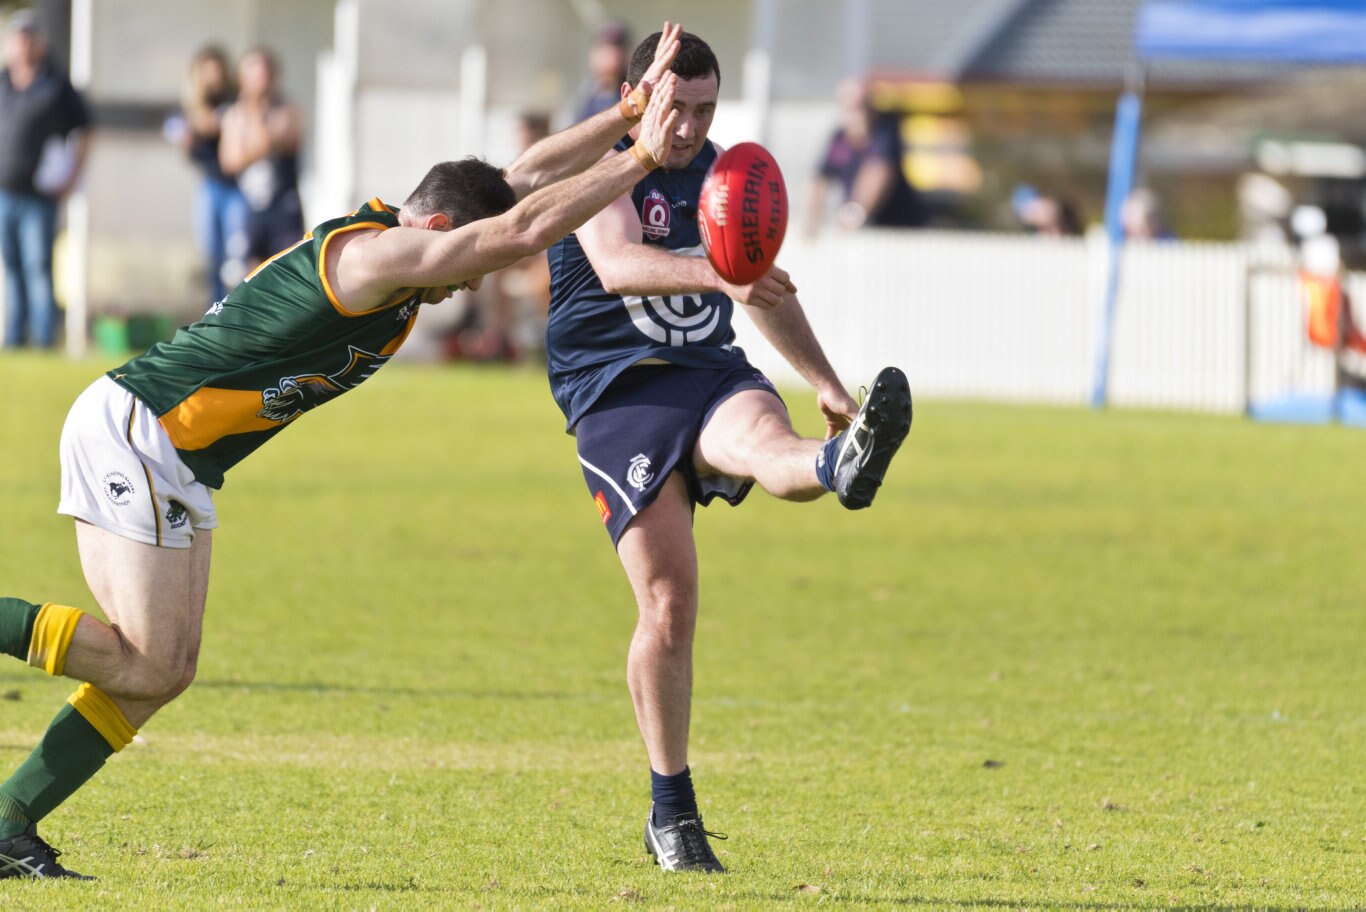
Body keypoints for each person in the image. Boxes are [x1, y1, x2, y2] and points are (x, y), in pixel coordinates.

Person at [0, 27, 685, 880]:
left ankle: (8, 822)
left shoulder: (410, 231)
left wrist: (622, 115)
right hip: (141, 430)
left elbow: (520, 185)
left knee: (162, 672)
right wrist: (640, 160)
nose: (464, 287)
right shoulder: (374, 260)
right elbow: (510, 234)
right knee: (142, 658)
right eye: (456, 265)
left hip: (173, 452)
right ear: (435, 228)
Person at [545, 31, 913, 873]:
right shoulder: (602, 161)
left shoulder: (727, 174)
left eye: (707, 110)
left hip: (709, 372)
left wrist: (829, 386)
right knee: (668, 609)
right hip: (617, 393)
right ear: (642, 95)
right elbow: (616, 266)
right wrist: (721, 274)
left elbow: (763, 288)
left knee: (772, 444)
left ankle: (840, 462)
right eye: (679, 108)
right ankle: (670, 809)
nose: (690, 127)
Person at [0, 9, 89, 349]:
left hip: (39, 194)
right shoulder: (4, 82)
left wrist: (72, 177)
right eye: (17, 40)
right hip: (5, 191)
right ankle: (13, 336)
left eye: (28, 39)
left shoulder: (55, 84)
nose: (22, 47)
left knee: (38, 265)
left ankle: (42, 337)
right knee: (11, 266)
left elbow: (85, 129)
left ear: (38, 44)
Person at [165, 45, 247, 305]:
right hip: (210, 184)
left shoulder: (234, 100)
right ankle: (216, 308)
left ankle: (236, 308)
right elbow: (180, 134)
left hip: (237, 187)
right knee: (211, 253)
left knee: (236, 256)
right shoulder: (192, 104)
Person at [218, 47, 304, 277]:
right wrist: (258, 141)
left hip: (284, 205)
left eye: (263, 74)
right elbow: (229, 161)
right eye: (253, 75)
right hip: (249, 206)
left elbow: (280, 140)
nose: (259, 82)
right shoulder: (234, 113)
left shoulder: (287, 108)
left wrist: (253, 119)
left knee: (287, 270)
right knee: (247, 273)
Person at [807, 78, 924, 233]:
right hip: (865, 229)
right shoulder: (839, 139)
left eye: (862, 107)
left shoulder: (884, 132)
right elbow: (820, 178)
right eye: (851, 108)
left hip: (898, 227)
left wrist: (850, 220)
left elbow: (877, 173)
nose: (858, 114)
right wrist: (811, 222)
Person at [575, 21, 631, 122]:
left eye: (616, 48)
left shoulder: (630, 96)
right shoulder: (587, 92)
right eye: (604, 48)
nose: (611, 55)